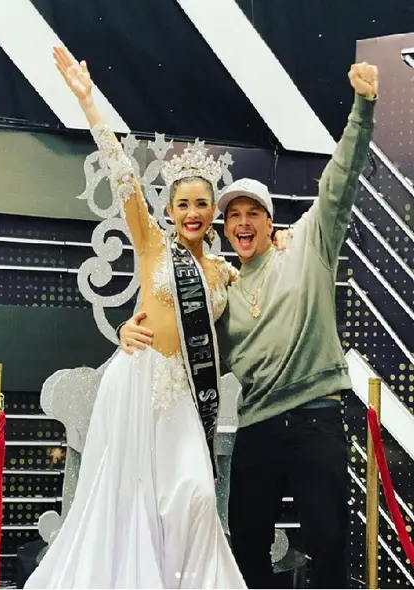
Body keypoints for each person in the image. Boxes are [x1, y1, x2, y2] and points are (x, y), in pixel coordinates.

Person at [120, 63, 378, 588]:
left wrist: (363, 109)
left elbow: (339, 180)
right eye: (232, 214)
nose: (242, 222)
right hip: (256, 428)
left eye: (252, 213)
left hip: (315, 419)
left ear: (270, 220)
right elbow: (178, 340)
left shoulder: (309, 246)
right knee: (245, 544)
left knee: (328, 543)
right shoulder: (220, 289)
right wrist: (132, 331)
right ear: (223, 224)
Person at [24, 47, 246, 589]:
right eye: (183, 203)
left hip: (186, 396)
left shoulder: (224, 273)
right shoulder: (152, 247)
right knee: (127, 502)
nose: (192, 212)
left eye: (202, 203)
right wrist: (88, 102)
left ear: (212, 211)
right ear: (170, 211)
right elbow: (122, 174)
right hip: (138, 381)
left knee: (193, 492)